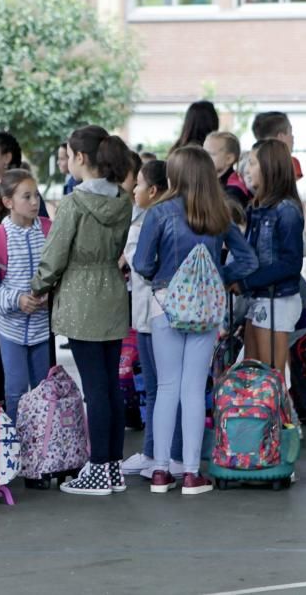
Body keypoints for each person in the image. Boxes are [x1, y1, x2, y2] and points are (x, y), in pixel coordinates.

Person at [134, 146, 258, 496]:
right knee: (193, 388)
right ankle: (191, 473)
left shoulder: (158, 213)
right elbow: (248, 261)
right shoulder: (219, 213)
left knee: (167, 388)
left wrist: (166, 279)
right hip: (205, 308)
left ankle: (160, 471)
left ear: (174, 176)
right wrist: (217, 276)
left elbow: (142, 264)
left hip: (164, 306)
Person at [31, 125, 133, 495]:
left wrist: (38, 287)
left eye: (70, 155)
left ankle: (99, 469)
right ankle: (113, 466)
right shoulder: (123, 199)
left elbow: (55, 254)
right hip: (112, 290)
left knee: (95, 387)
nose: (67, 162)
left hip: (80, 295)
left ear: (81, 158)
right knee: (109, 384)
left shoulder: (74, 203)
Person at [120, 160, 184, 478]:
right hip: (164, 314)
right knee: (161, 388)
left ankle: (165, 455)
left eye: (139, 185)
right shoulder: (179, 218)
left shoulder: (144, 225)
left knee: (159, 388)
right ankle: (153, 451)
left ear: (154, 190)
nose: (134, 190)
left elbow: (142, 268)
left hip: (151, 318)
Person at [0, 170, 50, 424]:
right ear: (8, 202)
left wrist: (51, 297)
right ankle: (17, 448)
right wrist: (17, 299)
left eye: (36, 195)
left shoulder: (50, 232)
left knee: (45, 391)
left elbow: (62, 275)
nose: (34, 202)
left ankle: (43, 451)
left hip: (43, 326)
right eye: (26, 196)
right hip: (10, 328)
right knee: (15, 389)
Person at [232, 139, 305, 375]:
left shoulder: (287, 210)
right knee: (253, 374)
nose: (247, 169)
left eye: (252, 163)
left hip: (277, 300)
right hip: (260, 298)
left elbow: (291, 263)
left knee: (271, 377)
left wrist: (244, 282)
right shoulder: (258, 207)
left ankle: (281, 414)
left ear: (269, 167)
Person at [204, 131, 250, 209]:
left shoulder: (234, 190)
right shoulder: (210, 180)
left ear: (229, 159)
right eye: (203, 153)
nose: (203, 158)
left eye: (210, 154)